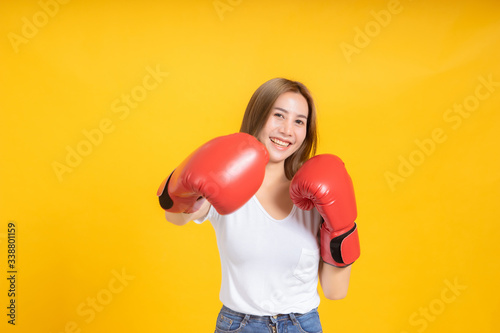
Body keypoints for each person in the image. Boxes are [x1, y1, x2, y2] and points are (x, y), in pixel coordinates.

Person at [157, 78, 360, 333]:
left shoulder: (314, 195)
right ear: (258, 116)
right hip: (239, 326)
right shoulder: (226, 181)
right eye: (279, 115)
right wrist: (189, 181)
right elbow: (174, 217)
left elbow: (335, 291)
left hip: (303, 325)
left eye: (299, 121)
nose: (287, 130)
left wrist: (342, 228)